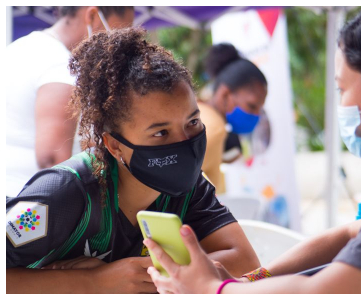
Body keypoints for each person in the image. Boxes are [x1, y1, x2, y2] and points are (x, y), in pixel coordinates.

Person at [144, 7, 361, 294]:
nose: (341, 103)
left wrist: (214, 290)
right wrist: (245, 283)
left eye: (342, 88)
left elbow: (325, 291)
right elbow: (351, 234)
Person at [6, 28, 260, 293]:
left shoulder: (189, 188)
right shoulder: (63, 192)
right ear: (115, 145)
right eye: (160, 132)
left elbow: (245, 261)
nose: (184, 142)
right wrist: (93, 283)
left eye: (192, 122)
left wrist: (141, 272)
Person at [6, 6, 134, 198]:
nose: (117, 44)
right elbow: (53, 159)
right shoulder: (61, 67)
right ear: (92, 15)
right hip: (30, 209)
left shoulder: (18, 48)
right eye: (118, 31)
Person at [197, 43, 268, 192]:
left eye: (259, 109)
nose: (256, 115)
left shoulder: (198, 112)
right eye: (252, 106)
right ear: (224, 95)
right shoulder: (214, 128)